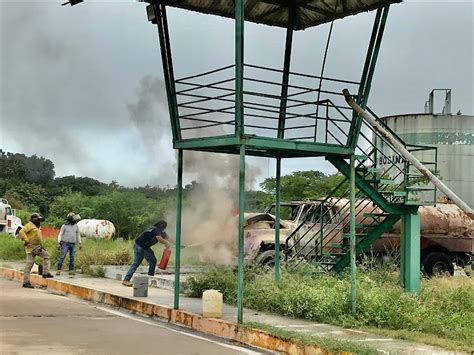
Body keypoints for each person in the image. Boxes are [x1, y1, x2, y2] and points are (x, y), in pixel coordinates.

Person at [122, 220, 173, 287]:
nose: (164, 229)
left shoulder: (157, 231)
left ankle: (128, 280)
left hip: (140, 246)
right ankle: (148, 278)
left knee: (142, 263)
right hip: (141, 247)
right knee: (148, 261)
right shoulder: (156, 230)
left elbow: (170, 239)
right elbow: (159, 239)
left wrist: (179, 245)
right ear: (162, 226)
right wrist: (166, 243)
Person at [18, 213, 54, 288]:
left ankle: (44, 273)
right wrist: (26, 240)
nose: (39, 221)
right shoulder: (29, 225)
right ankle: (27, 281)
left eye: (39, 219)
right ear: (33, 219)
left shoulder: (36, 227)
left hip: (37, 247)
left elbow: (38, 237)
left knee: (45, 256)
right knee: (30, 264)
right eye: (37, 219)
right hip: (31, 247)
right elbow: (21, 232)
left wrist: (42, 246)